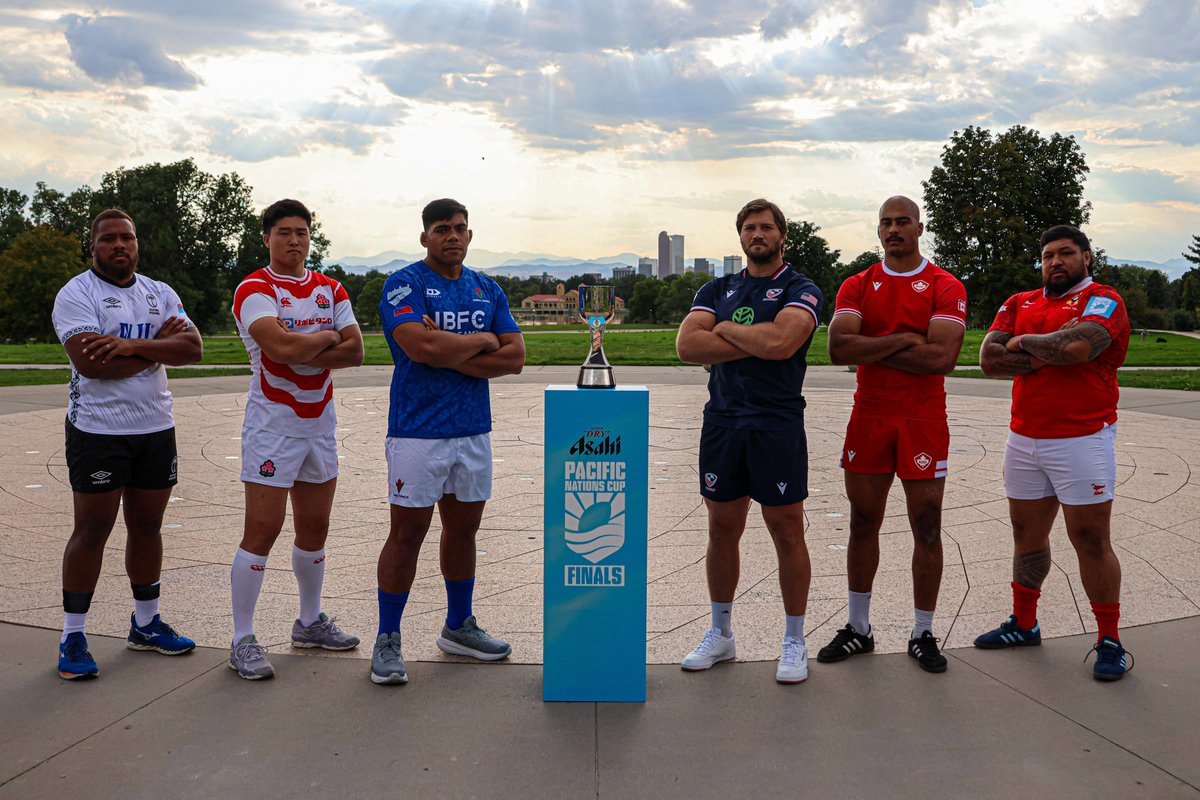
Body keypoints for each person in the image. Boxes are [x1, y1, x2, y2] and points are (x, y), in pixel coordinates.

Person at [371, 198, 525, 685]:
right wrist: (482, 342)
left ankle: (458, 626)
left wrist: (451, 351)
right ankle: (388, 638)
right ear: (425, 238)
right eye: (442, 229)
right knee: (408, 533)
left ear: (470, 234)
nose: (452, 236)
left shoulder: (487, 287)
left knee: (463, 532)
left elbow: (515, 357)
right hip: (418, 432)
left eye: (460, 228)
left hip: (472, 430)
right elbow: (421, 346)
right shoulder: (405, 283)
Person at [974, 225, 1132, 681]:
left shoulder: (1104, 299)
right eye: (1047, 256)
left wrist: (1021, 343)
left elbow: (1081, 347)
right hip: (1024, 438)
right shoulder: (1020, 301)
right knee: (1026, 535)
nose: (1055, 262)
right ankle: (1024, 623)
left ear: (1086, 257)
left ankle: (1109, 639)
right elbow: (988, 361)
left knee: (1090, 540)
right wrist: (1050, 348)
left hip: (1082, 438)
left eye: (1066, 253)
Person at [674, 198, 822, 684]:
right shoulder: (717, 287)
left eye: (766, 227)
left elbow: (783, 345)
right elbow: (687, 346)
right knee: (721, 528)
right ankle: (721, 634)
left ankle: (795, 639)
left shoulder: (800, 288)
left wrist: (725, 328)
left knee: (786, 530)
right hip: (722, 423)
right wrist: (752, 337)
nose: (757, 234)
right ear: (740, 236)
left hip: (775, 424)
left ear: (783, 235)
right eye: (749, 228)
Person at [51, 208, 204, 680]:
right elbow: (92, 364)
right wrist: (157, 349)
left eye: (128, 238)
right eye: (109, 239)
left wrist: (128, 346)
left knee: (148, 527)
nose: (120, 246)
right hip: (98, 431)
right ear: (93, 246)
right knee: (92, 532)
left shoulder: (160, 293)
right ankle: (73, 635)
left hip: (155, 428)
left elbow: (193, 350)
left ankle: (145, 625)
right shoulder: (76, 294)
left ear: (138, 244)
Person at [818, 196, 966, 674]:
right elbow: (839, 348)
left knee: (926, 525)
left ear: (919, 227)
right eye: (886, 222)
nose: (894, 229)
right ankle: (859, 628)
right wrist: (907, 337)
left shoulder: (944, 285)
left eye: (903, 221)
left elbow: (941, 358)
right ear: (878, 230)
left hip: (923, 418)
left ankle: (923, 631)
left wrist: (874, 348)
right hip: (871, 414)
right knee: (864, 520)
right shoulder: (859, 283)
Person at [227, 199, 364, 680]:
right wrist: (327, 337)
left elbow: (357, 353)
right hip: (272, 426)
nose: (294, 240)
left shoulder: (330, 287)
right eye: (283, 232)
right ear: (266, 238)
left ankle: (309, 621)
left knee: (315, 529)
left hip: (319, 425)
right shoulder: (254, 288)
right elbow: (279, 348)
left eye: (302, 232)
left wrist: (308, 341)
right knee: (262, 531)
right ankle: (242, 637)